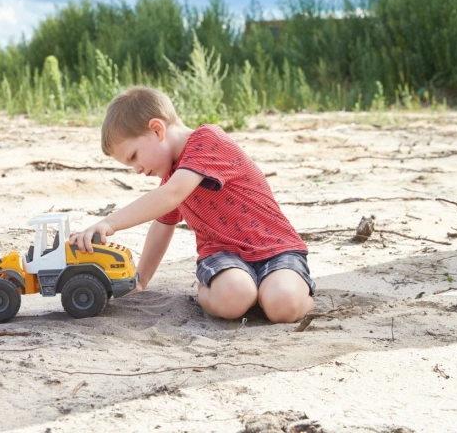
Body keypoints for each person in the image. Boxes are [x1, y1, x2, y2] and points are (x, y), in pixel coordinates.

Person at [69, 86, 315, 323]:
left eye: (134, 156)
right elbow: (162, 224)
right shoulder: (174, 177)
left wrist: (109, 223)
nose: (137, 170)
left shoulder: (206, 141)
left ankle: (287, 294)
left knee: (284, 306)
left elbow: (171, 195)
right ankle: (224, 291)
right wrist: (140, 281)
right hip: (224, 256)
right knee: (234, 297)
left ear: (157, 129)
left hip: (276, 247)